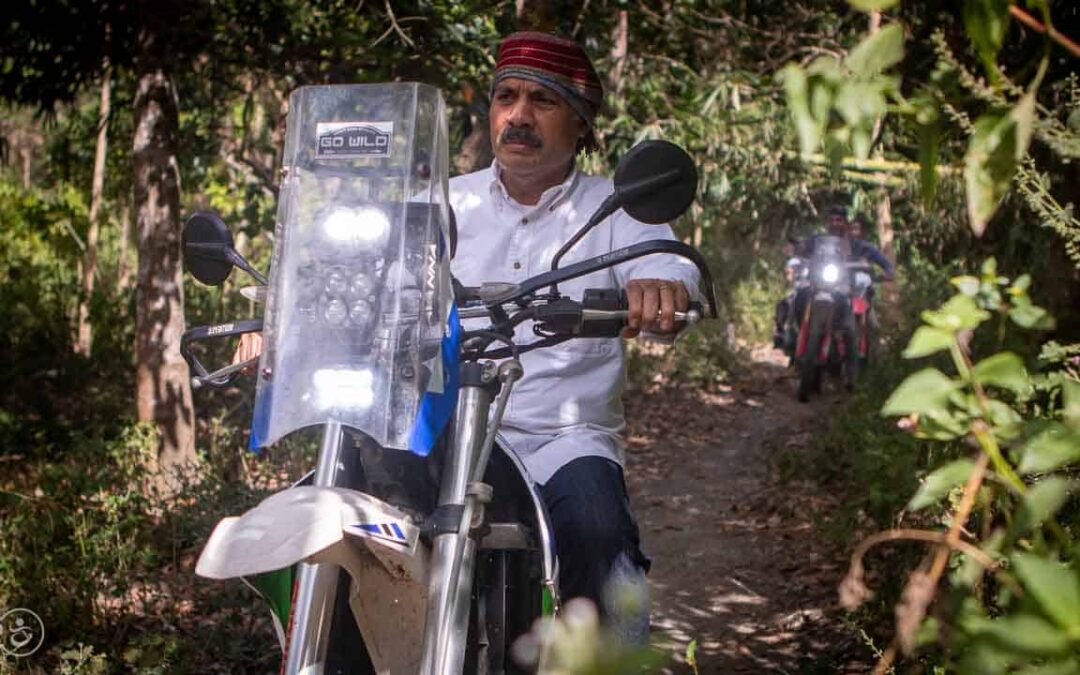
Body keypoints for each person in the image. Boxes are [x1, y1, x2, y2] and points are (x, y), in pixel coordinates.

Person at [234, 31, 700, 636]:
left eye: (544, 101)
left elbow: (667, 259)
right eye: (507, 97)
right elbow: (360, 283)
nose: (519, 116)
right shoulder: (440, 203)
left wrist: (661, 288)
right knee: (337, 510)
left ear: (582, 123)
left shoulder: (616, 208)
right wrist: (283, 328)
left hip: (558, 438)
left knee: (597, 532)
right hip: (438, 429)